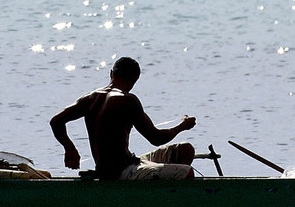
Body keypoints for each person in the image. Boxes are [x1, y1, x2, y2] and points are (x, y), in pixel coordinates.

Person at [50, 57, 198, 181]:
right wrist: (182, 126)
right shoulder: (128, 100)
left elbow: (56, 121)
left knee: (184, 150)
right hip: (122, 172)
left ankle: (159, 193)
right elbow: (156, 138)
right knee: (187, 172)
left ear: (111, 73)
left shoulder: (90, 98)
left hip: (125, 164)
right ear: (135, 80)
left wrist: (70, 148)